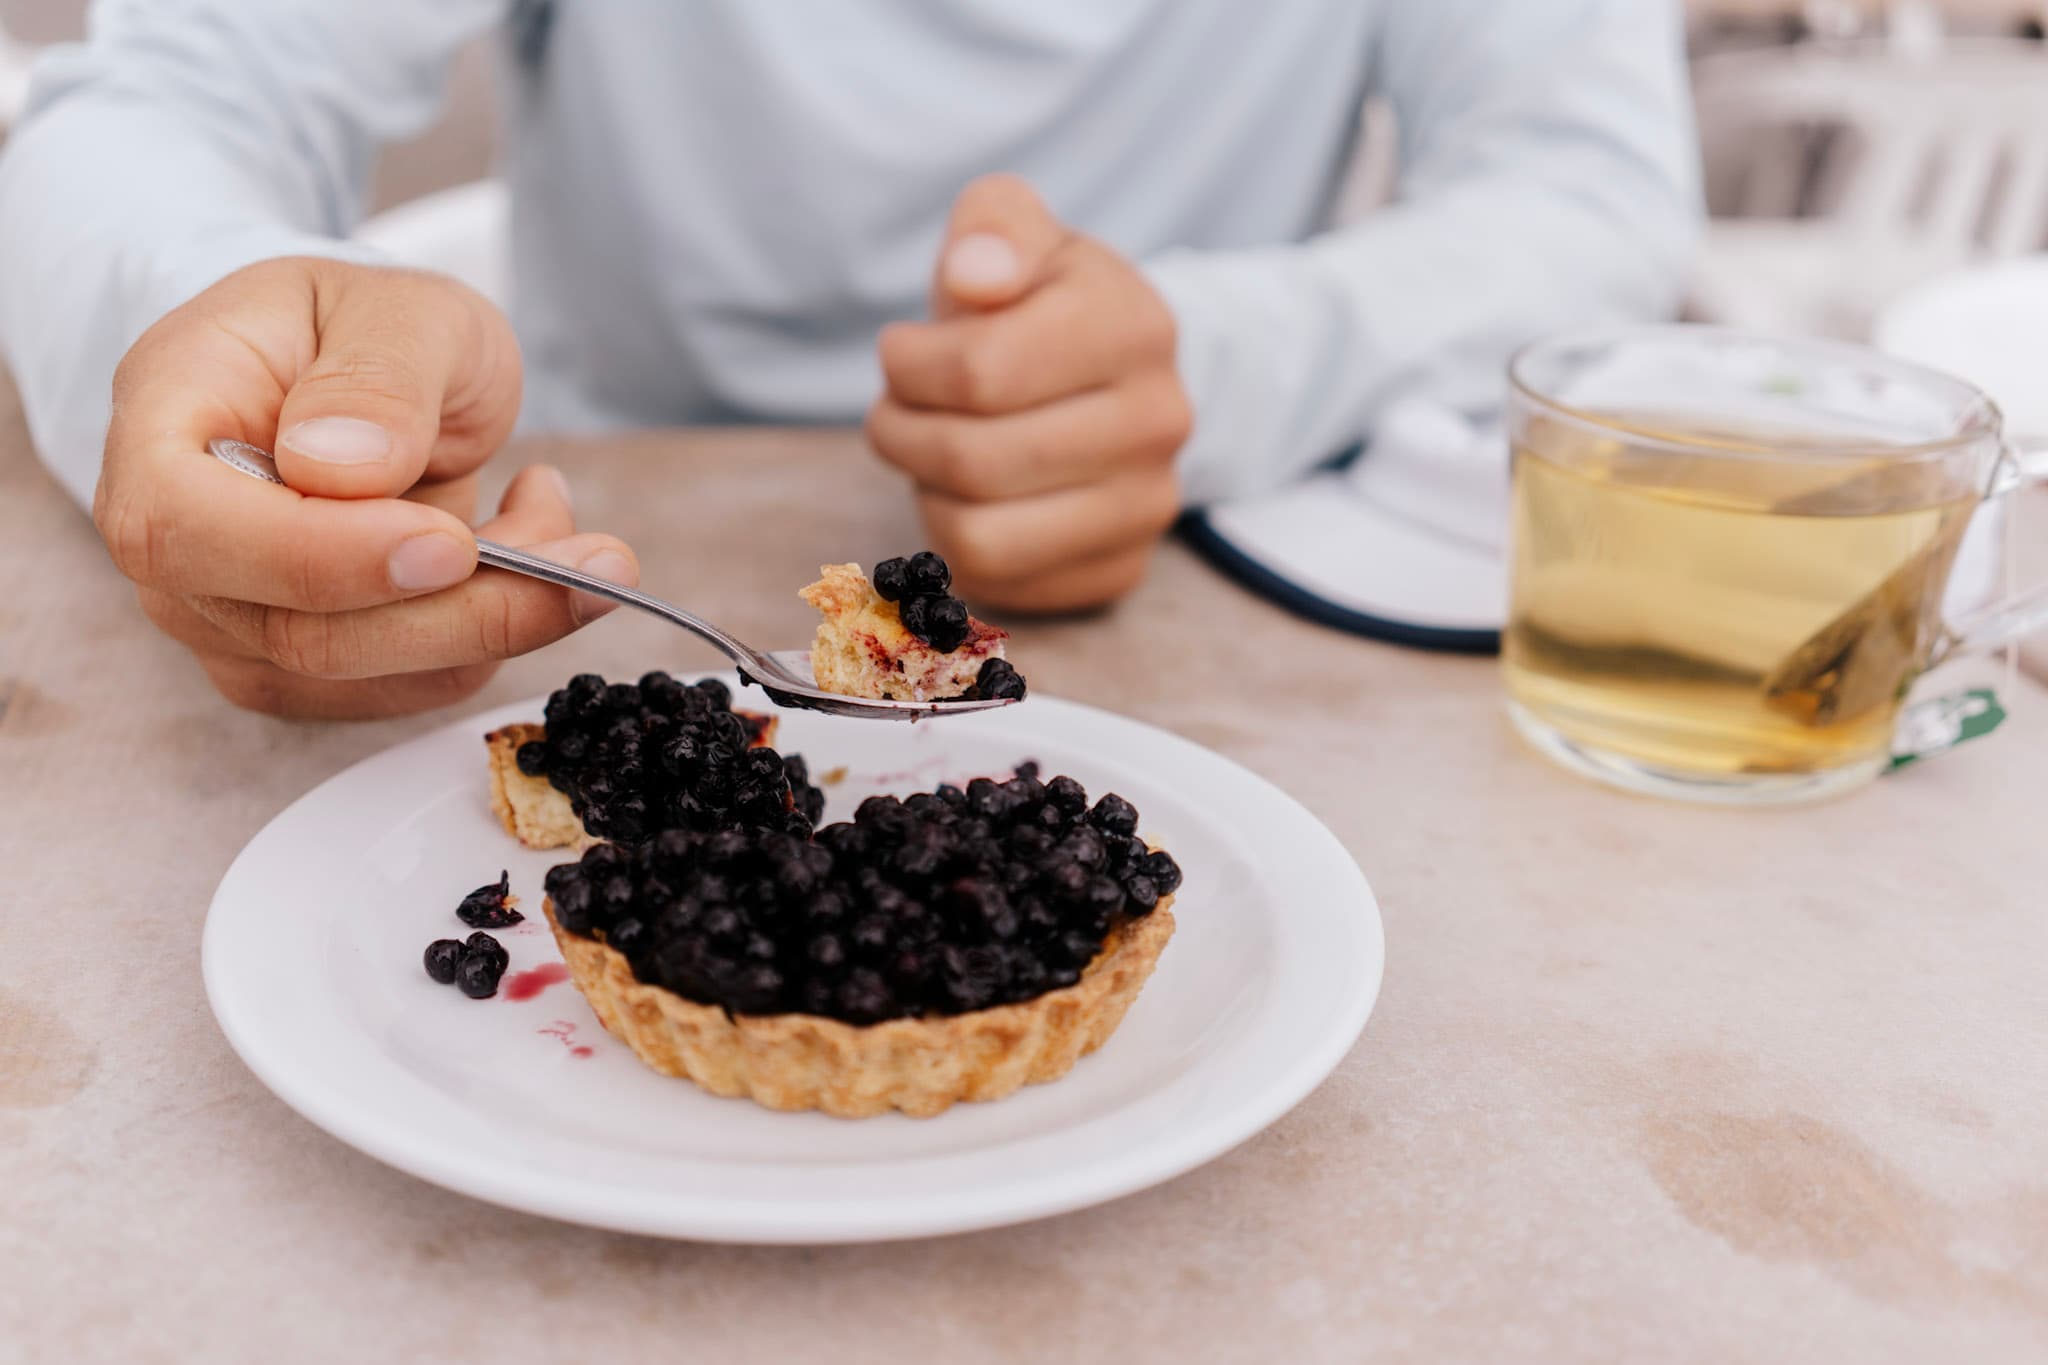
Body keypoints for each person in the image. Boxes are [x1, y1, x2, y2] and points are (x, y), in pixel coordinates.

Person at [0, 0, 1699, 719]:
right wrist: (200, 315)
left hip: (1211, 614)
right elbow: (160, 96)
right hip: (561, 582)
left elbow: (1599, 197)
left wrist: (1223, 362)